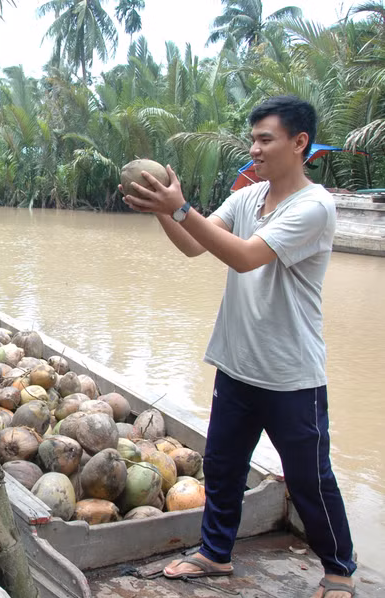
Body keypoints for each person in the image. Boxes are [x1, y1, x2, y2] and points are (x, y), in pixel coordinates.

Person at [120, 96, 356, 598]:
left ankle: (339, 571)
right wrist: (166, 210)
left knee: (311, 479)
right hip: (237, 363)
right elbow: (193, 244)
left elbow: (248, 258)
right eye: (252, 139)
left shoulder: (314, 206)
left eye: (265, 139)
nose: (254, 149)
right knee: (223, 467)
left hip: (291, 374)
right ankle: (214, 555)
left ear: (299, 143)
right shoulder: (249, 196)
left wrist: (179, 207)